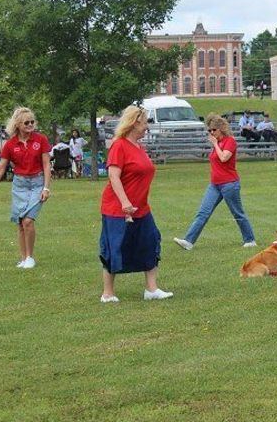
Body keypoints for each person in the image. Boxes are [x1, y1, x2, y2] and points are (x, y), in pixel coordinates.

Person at [99, 105, 173, 303]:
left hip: (141, 208)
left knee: (151, 241)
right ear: (134, 123)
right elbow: (113, 176)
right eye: (145, 122)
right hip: (117, 209)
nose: (147, 126)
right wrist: (125, 202)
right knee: (114, 247)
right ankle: (108, 293)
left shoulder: (140, 147)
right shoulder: (119, 145)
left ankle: (151, 289)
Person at [0, 107, 51, 269]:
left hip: (37, 183)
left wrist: (46, 188)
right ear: (18, 125)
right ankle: (23, 258)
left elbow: (47, 165)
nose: (30, 124)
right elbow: (1, 167)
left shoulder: (41, 140)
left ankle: (30, 257)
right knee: (20, 223)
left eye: (32, 122)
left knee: (28, 221)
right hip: (19, 185)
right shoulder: (10, 144)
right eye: (26, 122)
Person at [173, 114, 256, 251]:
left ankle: (250, 240)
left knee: (237, 213)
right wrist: (216, 144)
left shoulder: (230, 141)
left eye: (213, 130)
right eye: (209, 130)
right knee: (203, 212)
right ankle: (188, 241)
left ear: (221, 129)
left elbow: (224, 158)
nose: (211, 133)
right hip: (215, 185)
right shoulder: (217, 143)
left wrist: (215, 144)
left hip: (229, 184)